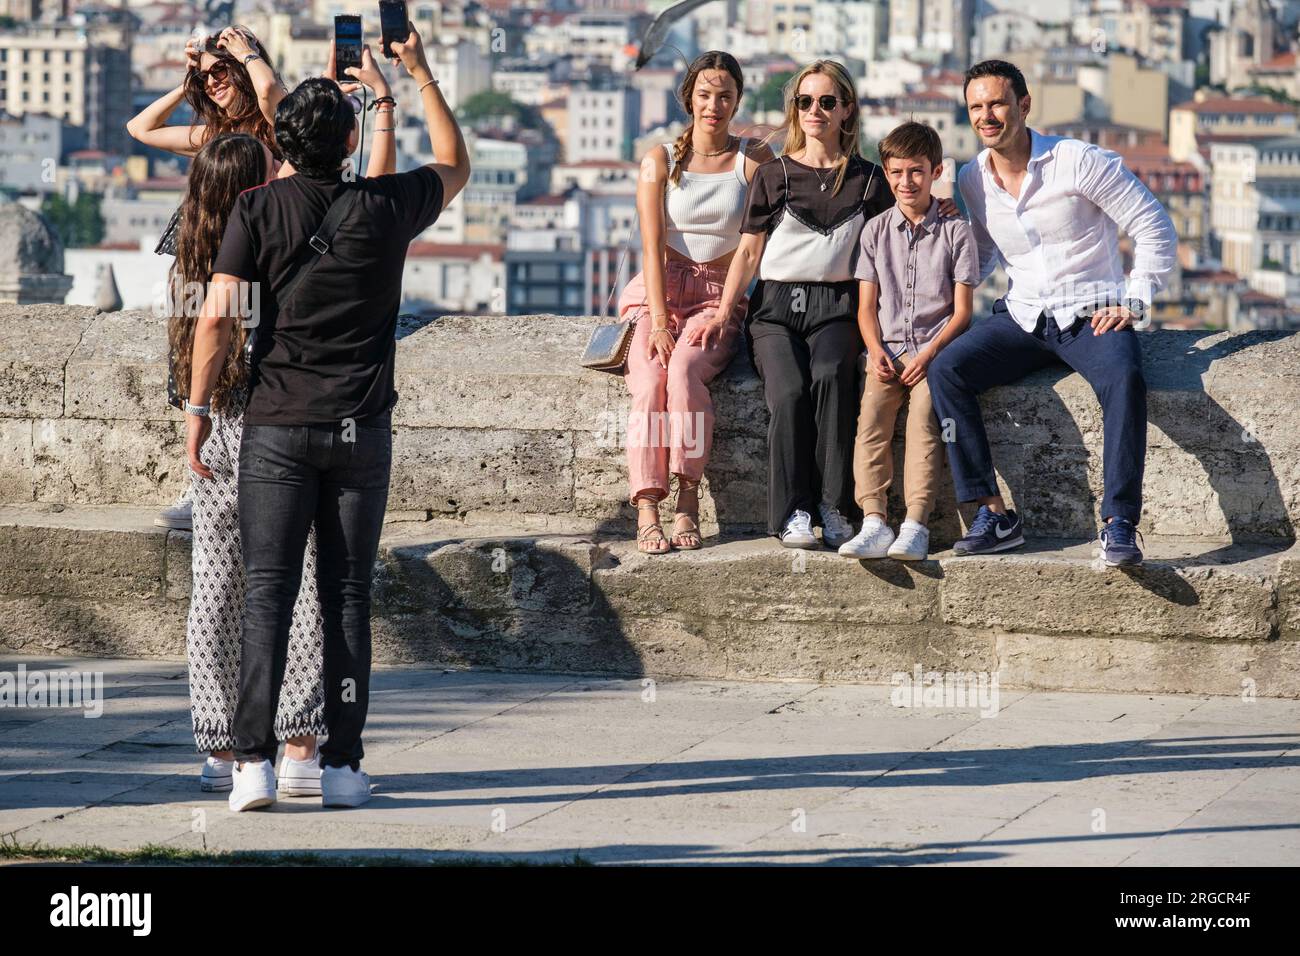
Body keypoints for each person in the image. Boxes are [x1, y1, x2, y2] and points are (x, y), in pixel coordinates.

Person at [185, 23, 470, 811]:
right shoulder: (384, 205)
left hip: (275, 424)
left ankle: (253, 765)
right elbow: (455, 164)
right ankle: (340, 766)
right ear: (350, 140)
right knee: (345, 599)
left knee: (265, 594)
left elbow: (214, 319)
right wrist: (411, 76)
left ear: (281, 141)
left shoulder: (255, 207)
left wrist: (198, 410)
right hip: (359, 428)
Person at [130, 27, 396, 532]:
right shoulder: (216, 136)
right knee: (193, 355)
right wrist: (191, 77)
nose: (213, 83)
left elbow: (274, 95)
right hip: (204, 257)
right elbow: (140, 128)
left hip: (256, 259)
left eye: (220, 71)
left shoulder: (279, 130)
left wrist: (246, 55)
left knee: (243, 364)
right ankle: (203, 476)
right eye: (206, 75)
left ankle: (231, 478)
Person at [928, 60, 1177, 566]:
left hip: (1091, 313)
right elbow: (984, 252)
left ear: (1023, 105)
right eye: (976, 107)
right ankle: (991, 512)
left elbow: (1154, 226)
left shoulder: (1079, 161)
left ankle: (1119, 523)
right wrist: (937, 224)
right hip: (1023, 315)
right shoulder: (974, 178)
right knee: (946, 369)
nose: (986, 115)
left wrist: (1134, 300)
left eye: (996, 103)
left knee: (1125, 379)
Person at [711, 60, 956, 549]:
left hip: (839, 305)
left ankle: (835, 505)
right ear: (794, 108)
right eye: (805, 101)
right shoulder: (773, 174)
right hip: (776, 306)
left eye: (827, 101)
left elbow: (906, 220)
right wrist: (722, 313)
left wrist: (943, 204)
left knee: (833, 378)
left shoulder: (868, 179)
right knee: (788, 391)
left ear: (847, 109)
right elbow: (749, 250)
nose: (814, 111)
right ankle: (792, 512)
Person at [168, 133, 327, 797]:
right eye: (269, 171)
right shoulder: (267, 243)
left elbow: (196, 337)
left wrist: (195, 410)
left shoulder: (187, 256)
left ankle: (223, 748)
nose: (282, 175)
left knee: (215, 585)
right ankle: (298, 745)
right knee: (303, 580)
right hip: (273, 420)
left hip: (213, 421)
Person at [623, 51, 773, 553]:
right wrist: (660, 320)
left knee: (686, 372)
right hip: (657, 291)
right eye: (705, 94)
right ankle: (647, 503)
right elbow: (650, 241)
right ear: (689, 97)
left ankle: (687, 496)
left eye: (725, 95)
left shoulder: (755, 160)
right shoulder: (660, 159)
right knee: (649, 381)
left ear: (737, 101)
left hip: (718, 294)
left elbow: (760, 239)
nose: (714, 105)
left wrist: (728, 310)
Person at [838, 122, 978, 561]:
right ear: (886, 172)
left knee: (923, 422)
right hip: (887, 350)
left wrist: (929, 354)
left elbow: (962, 312)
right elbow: (865, 307)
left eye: (916, 172)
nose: (906, 182)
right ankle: (874, 520)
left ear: (935, 171)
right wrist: (876, 349)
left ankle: (916, 522)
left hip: (934, 353)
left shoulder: (956, 231)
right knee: (871, 422)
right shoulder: (876, 231)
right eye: (897, 172)